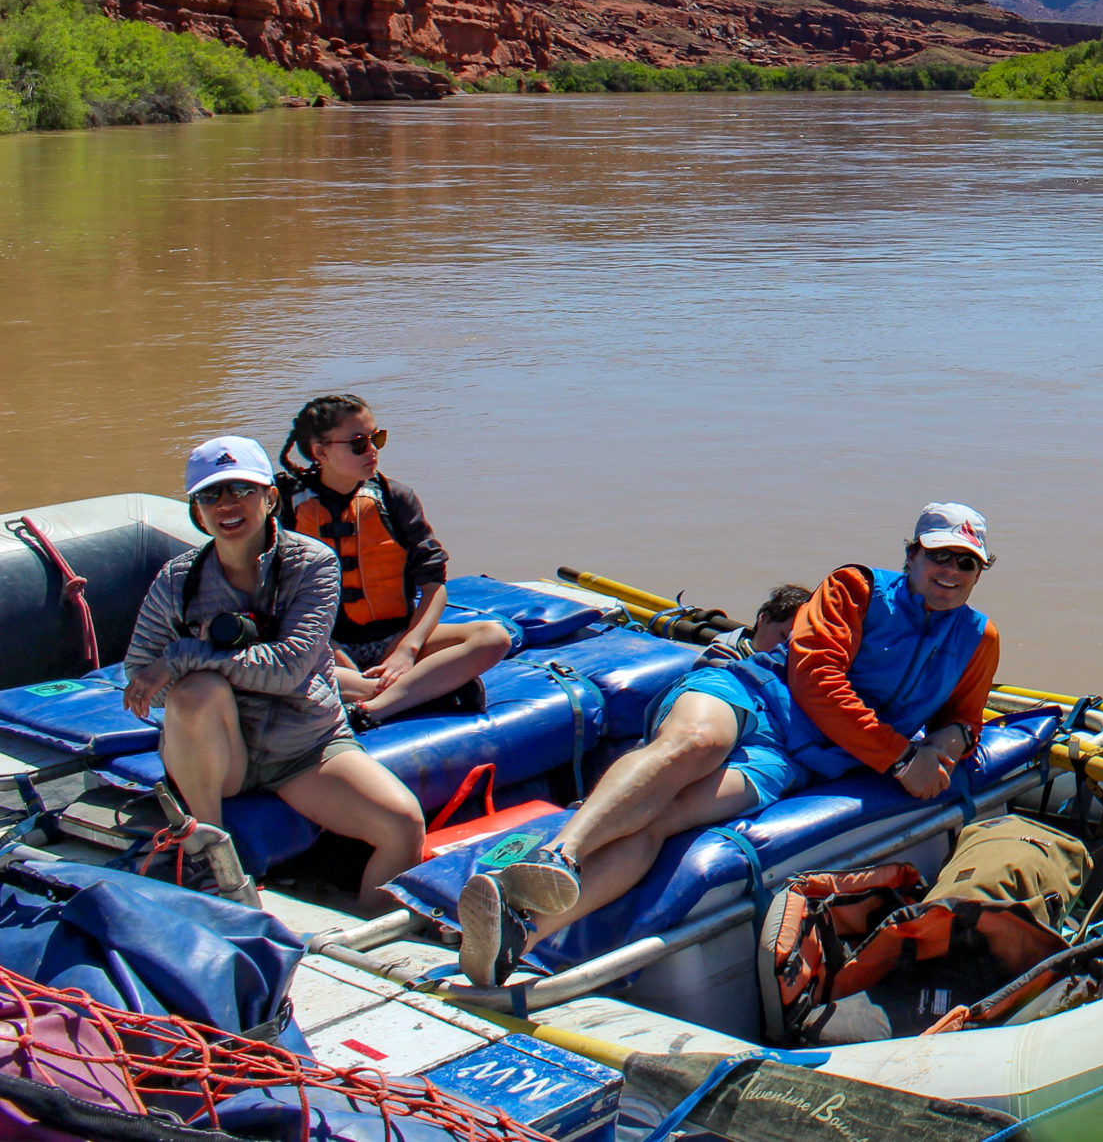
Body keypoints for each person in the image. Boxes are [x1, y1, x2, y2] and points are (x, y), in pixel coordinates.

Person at [458, 505, 1003, 987]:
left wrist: (946, 747)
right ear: (911, 555)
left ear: (979, 572)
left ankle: (520, 935)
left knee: (664, 819)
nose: (950, 572)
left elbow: (963, 717)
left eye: (966, 563)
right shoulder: (854, 589)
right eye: (940, 556)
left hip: (793, 760)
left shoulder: (979, 637)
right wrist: (903, 758)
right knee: (694, 744)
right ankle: (558, 856)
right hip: (754, 695)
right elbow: (816, 680)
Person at [122, 436, 428, 911]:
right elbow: (141, 676)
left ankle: (370, 935)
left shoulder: (313, 565)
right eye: (210, 495)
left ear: (269, 497)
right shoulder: (177, 580)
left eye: (241, 490)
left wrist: (183, 656)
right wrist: (195, 673)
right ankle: (209, 844)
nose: (227, 505)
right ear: (196, 511)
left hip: (304, 745)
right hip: (221, 754)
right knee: (197, 692)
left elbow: (289, 669)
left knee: (404, 824)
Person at [275, 395, 511, 726]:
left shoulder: (394, 498)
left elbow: (434, 584)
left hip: (392, 640)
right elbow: (273, 592)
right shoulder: (282, 504)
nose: (372, 450)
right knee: (268, 661)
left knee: (493, 638)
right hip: (322, 648)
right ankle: (407, 690)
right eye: (358, 443)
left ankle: (372, 707)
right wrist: (328, 647)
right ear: (320, 451)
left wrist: (406, 649)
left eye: (377, 438)